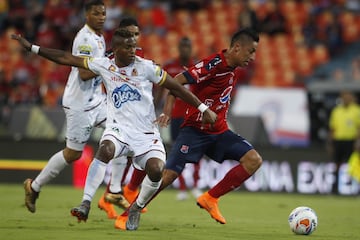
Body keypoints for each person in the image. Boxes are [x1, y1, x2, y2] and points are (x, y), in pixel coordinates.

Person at [11, 29, 217, 226]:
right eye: (128, 47)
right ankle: (86, 202)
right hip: (118, 129)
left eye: (134, 46)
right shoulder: (104, 65)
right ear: (116, 50)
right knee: (106, 149)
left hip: (145, 133)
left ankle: (136, 207)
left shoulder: (146, 67)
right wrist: (32, 48)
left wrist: (202, 107)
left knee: (156, 170)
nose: (133, 51)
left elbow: (176, 88)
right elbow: (66, 58)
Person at [116, 27, 263, 230]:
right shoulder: (213, 65)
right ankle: (128, 212)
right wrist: (168, 111)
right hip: (194, 130)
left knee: (253, 160)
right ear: (237, 48)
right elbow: (176, 81)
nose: (253, 57)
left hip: (218, 131)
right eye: (251, 51)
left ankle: (210, 198)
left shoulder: (232, 66)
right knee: (168, 175)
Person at [22, 0, 107, 214]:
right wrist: (108, 65)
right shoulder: (85, 39)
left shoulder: (99, 36)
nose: (102, 17)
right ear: (87, 15)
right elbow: (85, 73)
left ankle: (115, 191)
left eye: (103, 13)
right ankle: (34, 187)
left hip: (98, 100)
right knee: (73, 154)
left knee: (122, 131)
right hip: (79, 104)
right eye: (97, 13)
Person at [98, 16, 148, 219]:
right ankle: (118, 191)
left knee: (136, 152)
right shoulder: (111, 56)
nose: (134, 38)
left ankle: (113, 194)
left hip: (133, 110)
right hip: (111, 108)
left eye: (136, 34)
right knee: (130, 149)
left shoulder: (139, 56)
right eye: (129, 34)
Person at [162, 36, 202, 200]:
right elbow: (161, 89)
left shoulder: (198, 66)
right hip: (176, 116)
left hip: (193, 115)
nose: (185, 49)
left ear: (191, 48)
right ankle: (183, 187)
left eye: (188, 46)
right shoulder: (170, 66)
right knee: (177, 152)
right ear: (179, 48)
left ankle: (196, 185)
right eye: (182, 46)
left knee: (197, 150)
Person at [328, 91, 360, 194]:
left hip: (351, 141)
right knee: (337, 165)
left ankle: (355, 188)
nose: (346, 99)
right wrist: (331, 143)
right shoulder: (336, 111)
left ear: (351, 98)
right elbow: (333, 128)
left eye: (348, 96)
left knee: (353, 166)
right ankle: (334, 189)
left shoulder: (356, 110)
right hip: (338, 141)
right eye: (344, 97)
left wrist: (357, 142)